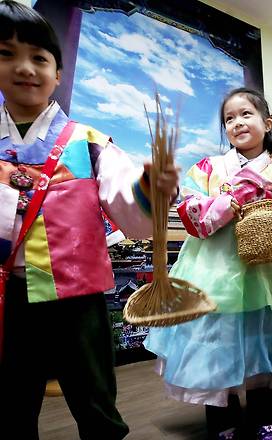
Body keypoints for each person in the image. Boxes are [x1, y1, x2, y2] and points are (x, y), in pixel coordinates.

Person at [0, 1, 179, 439]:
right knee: (9, 408)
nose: (25, 67)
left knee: (96, 406)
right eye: (6, 53)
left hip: (78, 298)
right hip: (8, 296)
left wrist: (150, 186)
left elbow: (124, 195)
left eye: (39, 57)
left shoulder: (90, 141)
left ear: (58, 74)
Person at [144, 87, 272, 440]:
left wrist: (258, 194)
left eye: (246, 114)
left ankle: (264, 413)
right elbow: (193, 217)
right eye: (229, 118)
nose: (237, 123)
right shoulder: (207, 168)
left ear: (266, 123)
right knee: (216, 342)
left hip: (264, 274)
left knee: (262, 341)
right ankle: (222, 419)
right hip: (214, 271)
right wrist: (236, 195)